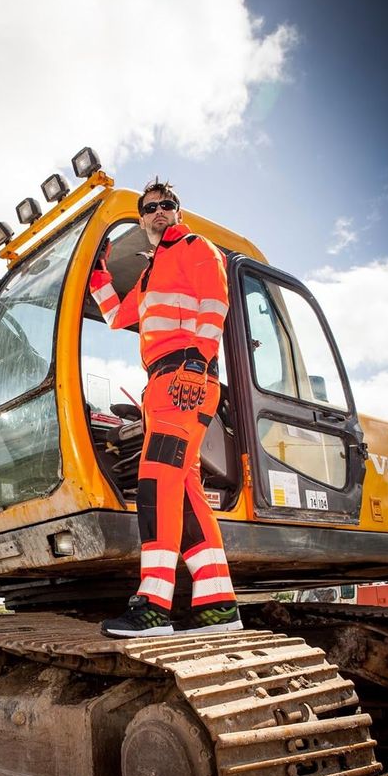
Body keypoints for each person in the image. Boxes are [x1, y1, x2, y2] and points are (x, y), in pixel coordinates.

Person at [89, 179, 243, 639]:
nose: (159, 211)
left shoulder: (196, 247)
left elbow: (215, 304)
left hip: (183, 378)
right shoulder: (150, 273)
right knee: (186, 490)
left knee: (156, 481)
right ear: (142, 219)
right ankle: (218, 605)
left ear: (178, 212)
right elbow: (118, 316)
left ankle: (154, 605)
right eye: (150, 206)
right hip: (162, 384)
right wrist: (98, 276)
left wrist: (196, 363)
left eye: (167, 204)